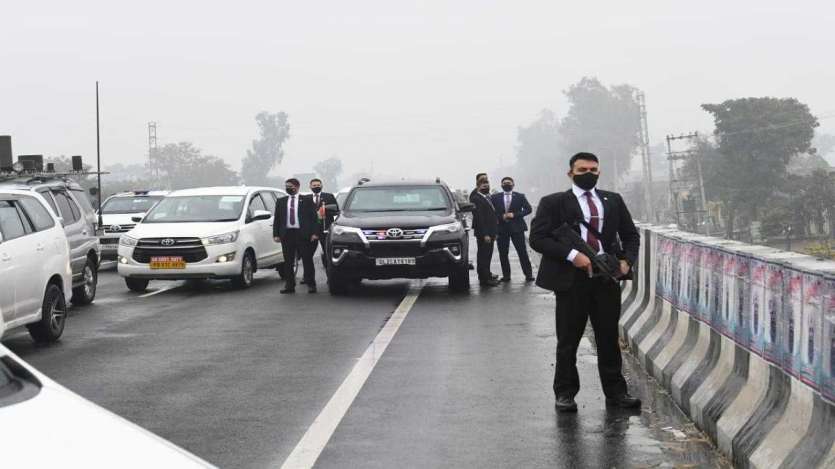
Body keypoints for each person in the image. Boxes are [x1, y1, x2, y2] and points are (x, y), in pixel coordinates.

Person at [529, 152, 641, 412]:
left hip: (606, 279)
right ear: (571, 173)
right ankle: (565, 394)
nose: (588, 173)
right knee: (568, 340)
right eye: (582, 170)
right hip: (571, 281)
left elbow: (630, 235)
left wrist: (626, 262)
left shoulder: (612, 200)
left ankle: (616, 393)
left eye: (593, 169)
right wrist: (572, 255)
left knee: (608, 337)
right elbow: (537, 238)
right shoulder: (553, 203)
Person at [273, 178, 321, 294]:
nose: (288, 188)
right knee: (288, 261)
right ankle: (289, 285)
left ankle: (311, 284)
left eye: (290, 186)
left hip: (303, 234)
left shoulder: (307, 200)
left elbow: (315, 218)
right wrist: (276, 234)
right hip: (287, 234)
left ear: (297, 187)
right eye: (287, 186)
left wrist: (315, 233)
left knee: (307, 259)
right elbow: (277, 219)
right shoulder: (281, 201)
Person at [490, 177, 534, 282]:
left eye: (508, 183)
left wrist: (514, 214)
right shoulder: (495, 197)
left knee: (522, 252)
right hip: (501, 229)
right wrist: (501, 217)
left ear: (513, 184)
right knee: (503, 254)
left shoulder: (520, 196)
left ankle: (528, 274)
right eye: (504, 183)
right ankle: (506, 276)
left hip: (517, 228)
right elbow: (491, 212)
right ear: (501, 185)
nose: (506, 185)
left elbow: (528, 209)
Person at [470, 176, 499, 287]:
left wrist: (494, 232)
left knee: (488, 255)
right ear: (478, 187)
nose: (486, 187)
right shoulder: (476, 198)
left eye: (487, 185)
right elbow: (480, 218)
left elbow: (492, 216)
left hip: (491, 232)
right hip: (484, 233)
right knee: (483, 256)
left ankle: (487, 275)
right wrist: (485, 234)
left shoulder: (487, 197)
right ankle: (484, 279)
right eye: (483, 185)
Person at [309, 178, 338, 267]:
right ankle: (308, 277)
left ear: (321, 186)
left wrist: (325, 211)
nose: (316, 187)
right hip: (311, 231)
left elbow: (336, 210)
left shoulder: (329, 196)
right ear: (310, 186)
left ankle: (329, 274)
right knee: (307, 254)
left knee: (327, 253)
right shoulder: (306, 198)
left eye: (318, 185)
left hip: (325, 229)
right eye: (314, 185)